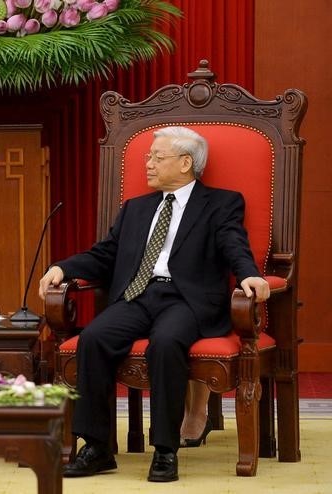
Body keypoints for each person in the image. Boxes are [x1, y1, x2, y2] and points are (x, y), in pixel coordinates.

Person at [38, 126, 270, 482]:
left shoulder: (221, 203)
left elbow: (233, 244)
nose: (147, 163)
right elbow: (107, 254)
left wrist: (249, 275)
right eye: (148, 156)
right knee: (94, 338)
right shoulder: (136, 208)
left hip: (186, 300)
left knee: (166, 343)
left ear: (185, 163)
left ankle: (164, 450)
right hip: (138, 295)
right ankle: (98, 447)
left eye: (156, 157)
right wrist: (63, 267)